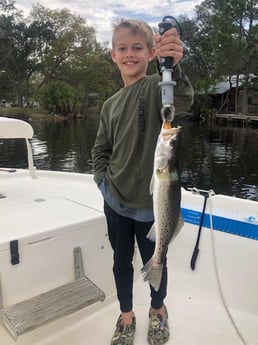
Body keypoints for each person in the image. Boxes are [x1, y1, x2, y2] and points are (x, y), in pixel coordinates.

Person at [92, 18, 193, 345]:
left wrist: (173, 67)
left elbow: (182, 99)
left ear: (151, 53)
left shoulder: (155, 87)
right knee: (120, 261)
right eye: (123, 48)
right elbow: (100, 149)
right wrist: (103, 182)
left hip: (152, 209)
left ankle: (158, 310)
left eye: (138, 48)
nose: (130, 54)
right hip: (116, 202)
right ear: (113, 55)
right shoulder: (109, 105)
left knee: (157, 259)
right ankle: (125, 314)